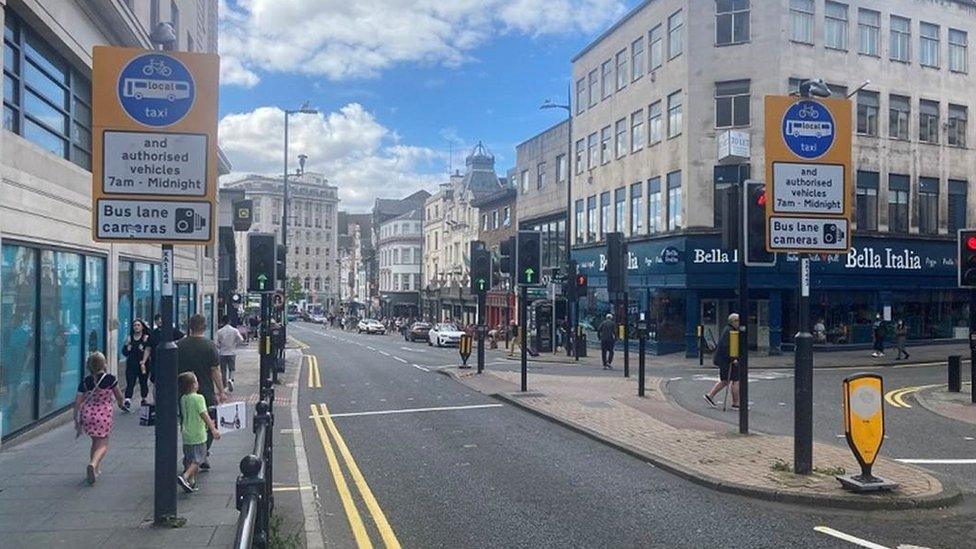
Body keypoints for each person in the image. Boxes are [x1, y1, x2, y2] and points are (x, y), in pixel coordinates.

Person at [177, 314, 225, 470]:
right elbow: (215, 370)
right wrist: (221, 391)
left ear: (189, 327)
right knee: (210, 424)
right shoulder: (209, 346)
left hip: (182, 393)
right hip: (204, 392)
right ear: (204, 327)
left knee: (187, 424)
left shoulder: (179, 345)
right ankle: (201, 455)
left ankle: (192, 455)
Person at [74, 352, 126, 485]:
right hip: (103, 415)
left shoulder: (85, 381)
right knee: (103, 444)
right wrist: (121, 403)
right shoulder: (110, 379)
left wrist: (77, 420)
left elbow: (78, 402)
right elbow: (119, 395)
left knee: (95, 441)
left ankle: (95, 470)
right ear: (104, 364)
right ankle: (93, 463)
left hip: (88, 414)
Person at [177, 372, 220, 493]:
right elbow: (204, 414)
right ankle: (185, 477)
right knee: (199, 459)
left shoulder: (183, 398)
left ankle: (191, 482)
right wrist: (213, 429)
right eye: (195, 381)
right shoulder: (199, 398)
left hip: (186, 434)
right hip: (198, 434)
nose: (198, 383)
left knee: (189, 458)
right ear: (193, 385)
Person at [704, 313, 741, 410]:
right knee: (735, 380)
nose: (739, 323)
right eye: (738, 320)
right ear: (733, 321)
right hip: (727, 360)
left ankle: (710, 396)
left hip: (724, 360)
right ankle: (735, 404)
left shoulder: (728, 330)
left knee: (725, 380)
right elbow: (727, 347)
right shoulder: (731, 331)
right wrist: (733, 359)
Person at [122, 319, 152, 410]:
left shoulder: (145, 338)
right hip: (131, 364)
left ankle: (144, 398)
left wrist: (144, 360)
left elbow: (149, 350)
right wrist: (127, 347)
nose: (136, 327)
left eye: (138, 325)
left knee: (143, 382)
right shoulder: (129, 338)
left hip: (143, 364)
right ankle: (127, 399)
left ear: (142, 327)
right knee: (130, 381)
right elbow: (124, 353)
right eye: (135, 325)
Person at [216, 315, 244, 392]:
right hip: (232, 352)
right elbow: (241, 340)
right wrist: (236, 343)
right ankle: (231, 379)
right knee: (232, 368)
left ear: (222, 322)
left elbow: (217, 344)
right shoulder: (234, 330)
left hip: (222, 353)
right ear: (229, 321)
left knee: (223, 370)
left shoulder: (219, 331)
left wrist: (220, 346)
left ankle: (224, 386)